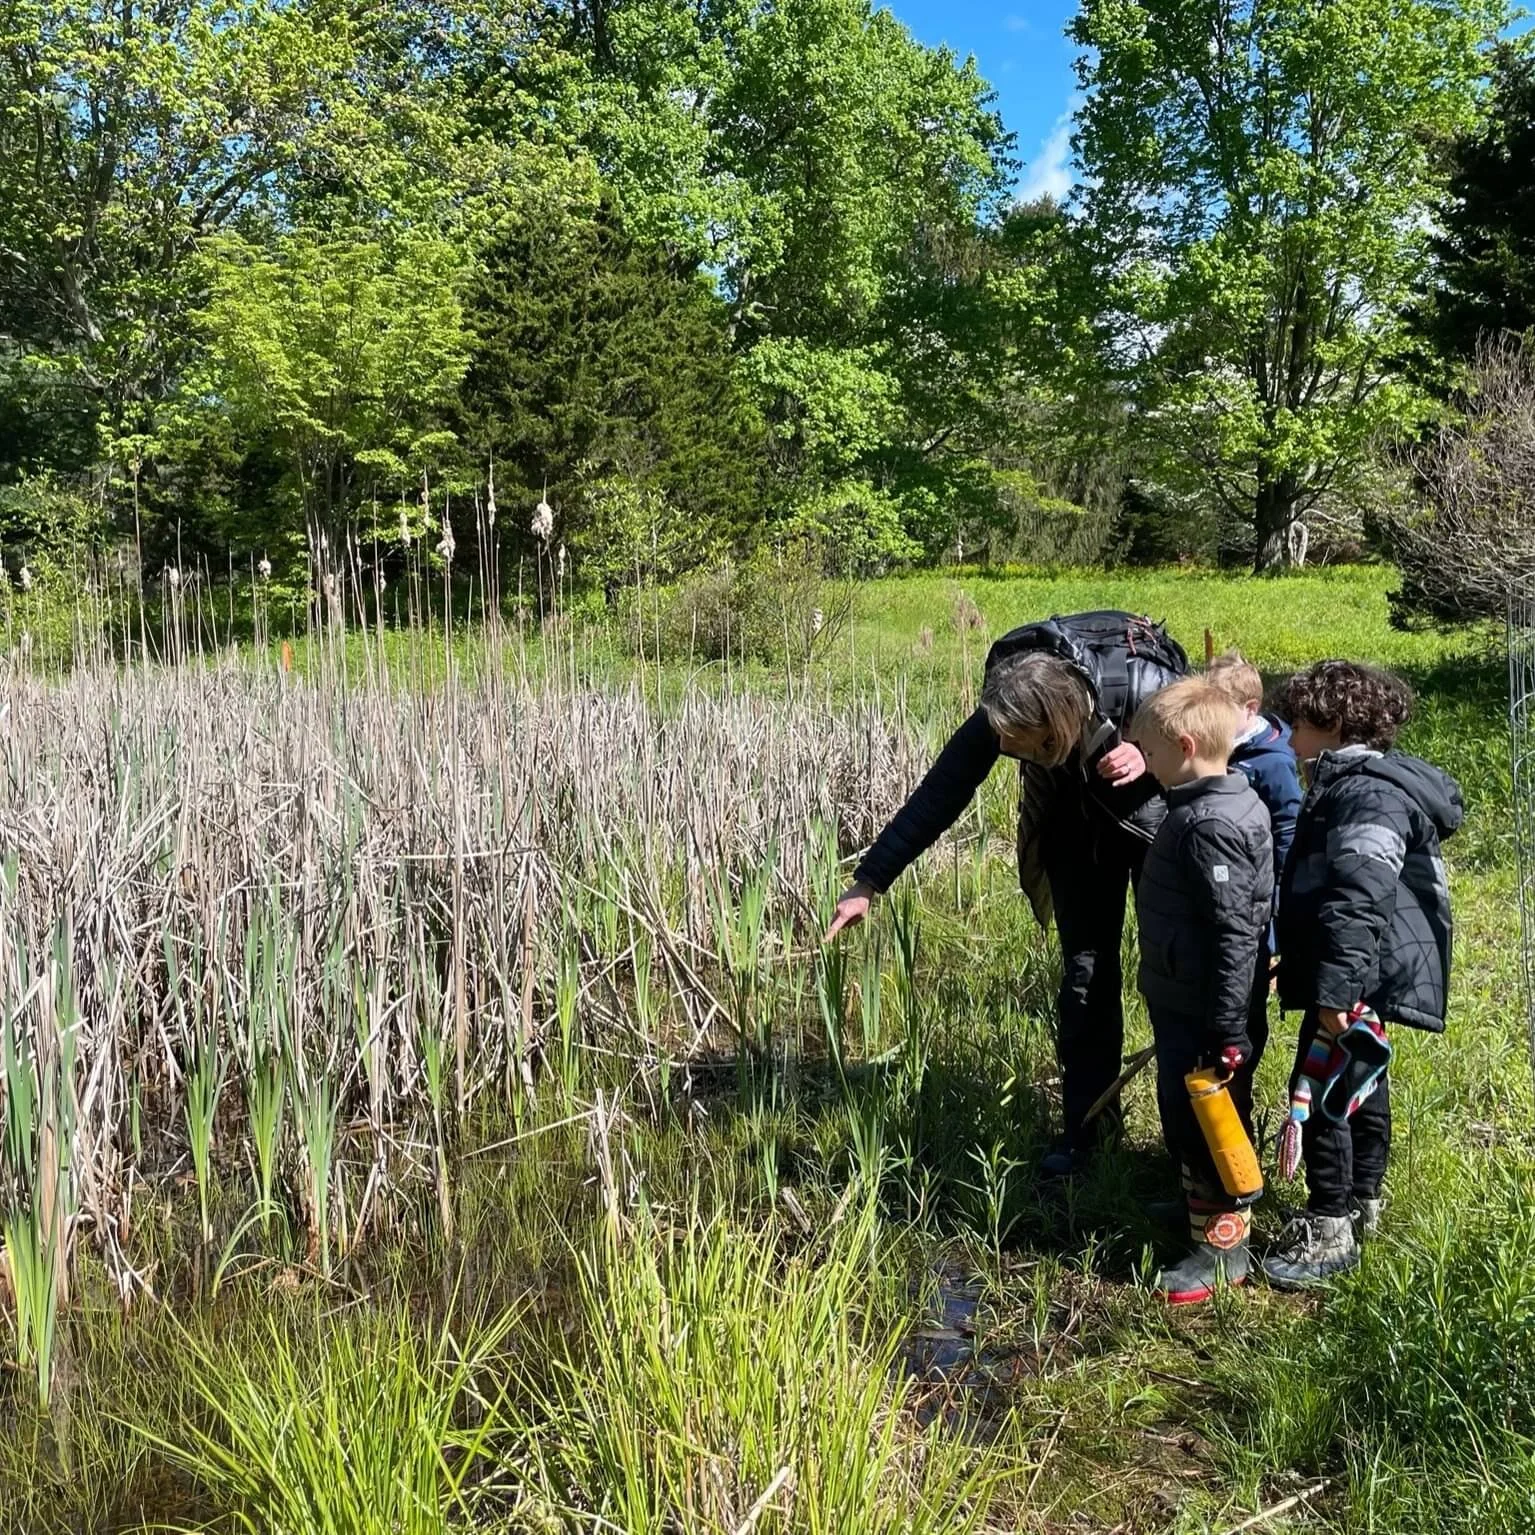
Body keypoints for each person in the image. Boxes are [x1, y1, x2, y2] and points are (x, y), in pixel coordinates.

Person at [823, 611, 1188, 1175]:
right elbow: (939, 793)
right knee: (1086, 979)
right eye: (1016, 750)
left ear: (1063, 718)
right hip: (1073, 827)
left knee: (1171, 976)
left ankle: (1187, 1148)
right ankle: (1088, 1130)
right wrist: (870, 881)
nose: (1022, 755)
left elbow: (1216, 751)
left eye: (1037, 747)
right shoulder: (1009, 707)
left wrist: (1149, 751)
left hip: (1151, 819)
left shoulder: (1142, 684)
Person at [1262, 661, 1464, 1288]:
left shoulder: (1364, 794)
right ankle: (1365, 1202)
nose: (1288, 738)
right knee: (1362, 1085)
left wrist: (1335, 991)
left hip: (1358, 972)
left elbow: (1359, 896)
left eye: (1295, 723)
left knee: (1323, 1095)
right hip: (1372, 968)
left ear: (1331, 724)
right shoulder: (1355, 782)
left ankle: (1329, 1227)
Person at [1130, 679, 1274, 1303]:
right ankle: (1197, 1209)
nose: (1146, 765)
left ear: (1185, 747)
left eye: (1152, 754)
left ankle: (1221, 1249)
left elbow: (1233, 933)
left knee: (1210, 1123)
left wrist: (1227, 1030)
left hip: (1207, 1013)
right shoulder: (1213, 801)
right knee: (1185, 1119)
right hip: (1184, 999)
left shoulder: (1211, 824)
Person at [1203, 648, 1305, 1100]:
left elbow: (1287, 832)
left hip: (1259, 902)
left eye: (1219, 710)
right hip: (1224, 894)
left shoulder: (1272, 762)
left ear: (1249, 710)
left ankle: (1237, 1073)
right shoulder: (1226, 747)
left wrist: (1280, 913)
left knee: (1245, 996)